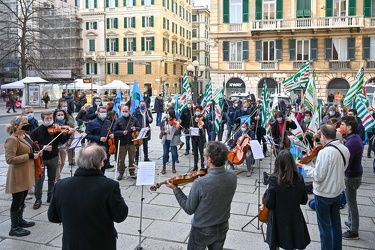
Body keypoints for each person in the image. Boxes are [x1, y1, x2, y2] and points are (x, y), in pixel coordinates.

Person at [48, 144, 128, 250]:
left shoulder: (61, 185)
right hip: (100, 244)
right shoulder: (109, 186)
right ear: (101, 162)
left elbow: (53, 217)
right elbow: (120, 216)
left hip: (72, 244)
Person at [165, 141, 237, 250]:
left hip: (202, 229)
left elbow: (189, 209)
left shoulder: (200, 183)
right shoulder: (232, 175)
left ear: (209, 159)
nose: (204, 158)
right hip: (223, 226)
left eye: (205, 156)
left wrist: (175, 189)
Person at [299, 124, 350, 250]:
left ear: (323, 135)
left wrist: (304, 167)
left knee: (325, 227)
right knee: (336, 225)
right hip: (337, 192)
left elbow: (318, 176)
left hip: (324, 194)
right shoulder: (344, 149)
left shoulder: (324, 152)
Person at [264, 150, 310, 250]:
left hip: (278, 219)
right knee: (292, 243)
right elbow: (304, 200)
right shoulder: (299, 178)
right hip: (294, 218)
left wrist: (267, 191)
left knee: (275, 243)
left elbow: (269, 203)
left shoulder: (273, 180)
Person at [30, 111, 75, 209]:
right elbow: (31, 145)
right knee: (39, 179)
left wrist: (68, 134)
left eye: (51, 118)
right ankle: (38, 198)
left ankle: (50, 196)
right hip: (41, 159)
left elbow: (62, 140)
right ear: (43, 119)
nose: (50, 120)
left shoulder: (56, 129)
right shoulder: (36, 131)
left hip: (53, 157)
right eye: (47, 118)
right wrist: (43, 146)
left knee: (52, 178)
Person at [5, 116, 39, 237]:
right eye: (24, 123)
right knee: (17, 201)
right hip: (18, 175)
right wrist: (29, 156)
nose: (27, 124)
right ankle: (14, 227)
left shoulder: (26, 135)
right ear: (16, 126)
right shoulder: (12, 140)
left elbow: (31, 148)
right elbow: (10, 159)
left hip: (26, 173)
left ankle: (20, 220)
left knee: (23, 199)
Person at [341, 116, 363, 239]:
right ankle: (350, 222)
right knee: (351, 202)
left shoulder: (352, 143)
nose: (341, 127)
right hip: (355, 174)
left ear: (349, 127)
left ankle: (354, 231)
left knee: (352, 204)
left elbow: (346, 162)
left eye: (343, 125)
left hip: (352, 176)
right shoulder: (354, 138)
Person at [113, 105, 140, 180]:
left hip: (132, 142)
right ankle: (121, 172)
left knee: (132, 159)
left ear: (129, 111)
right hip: (122, 143)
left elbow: (139, 127)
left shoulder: (134, 119)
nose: (125, 113)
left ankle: (132, 172)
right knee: (121, 159)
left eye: (126, 111)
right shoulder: (119, 120)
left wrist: (135, 128)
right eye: (123, 111)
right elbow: (114, 131)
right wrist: (122, 132)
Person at [85, 106, 114, 175]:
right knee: (95, 165)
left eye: (105, 112)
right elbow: (87, 135)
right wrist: (99, 138)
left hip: (106, 147)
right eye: (102, 112)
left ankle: (102, 176)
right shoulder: (92, 123)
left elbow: (111, 131)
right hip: (96, 147)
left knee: (104, 163)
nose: (103, 113)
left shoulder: (108, 122)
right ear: (98, 113)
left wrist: (112, 134)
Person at [53, 108, 74, 181]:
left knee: (63, 162)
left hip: (63, 145)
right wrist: (63, 127)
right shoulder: (54, 124)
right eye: (58, 115)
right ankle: (57, 178)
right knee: (58, 163)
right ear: (55, 116)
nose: (60, 116)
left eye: (62, 115)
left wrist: (70, 137)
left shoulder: (67, 123)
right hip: (56, 146)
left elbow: (69, 133)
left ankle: (57, 175)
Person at [160, 110, 182, 174]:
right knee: (165, 154)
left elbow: (178, 132)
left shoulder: (176, 120)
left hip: (173, 139)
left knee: (174, 154)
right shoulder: (164, 121)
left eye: (169, 115)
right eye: (167, 114)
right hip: (166, 139)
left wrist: (177, 126)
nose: (168, 116)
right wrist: (165, 132)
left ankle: (173, 166)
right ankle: (164, 167)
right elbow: (161, 129)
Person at [191, 105, 206, 171]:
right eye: (196, 110)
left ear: (201, 111)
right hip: (194, 137)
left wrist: (201, 123)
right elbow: (190, 125)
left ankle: (202, 165)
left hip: (200, 137)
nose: (197, 112)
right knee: (195, 152)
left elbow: (205, 126)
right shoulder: (192, 118)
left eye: (198, 111)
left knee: (201, 152)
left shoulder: (203, 118)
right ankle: (195, 165)